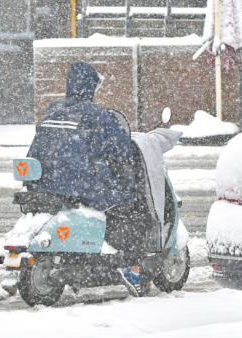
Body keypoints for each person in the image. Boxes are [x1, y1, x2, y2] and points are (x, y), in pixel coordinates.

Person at [25, 60, 149, 297]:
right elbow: (121, 150)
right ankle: (130, 265)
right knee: (131, 204)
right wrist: (129, 160)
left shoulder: (53, 108)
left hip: (43, 182)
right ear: (90, 86)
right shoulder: (97, 115)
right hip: (79, 185)